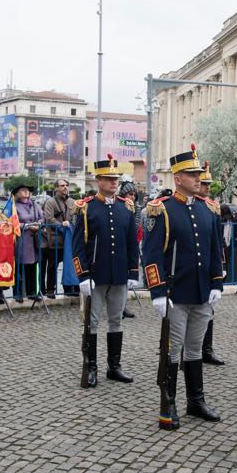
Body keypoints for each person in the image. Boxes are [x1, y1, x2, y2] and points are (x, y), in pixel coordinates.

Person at [143, 144, 224, 427]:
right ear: (177, 177)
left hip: (201, 291)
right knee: (172, 348)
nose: (198, 178)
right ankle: (168, 402)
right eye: (191, 174)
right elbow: (152, 255)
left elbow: (215, 250)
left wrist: (217, 282)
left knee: (194, 347)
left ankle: (196, 401)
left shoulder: (207, 210)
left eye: (198, 173)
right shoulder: (162, 210)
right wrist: (157, 292)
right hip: (175, 293)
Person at [73, 154, 140, 387]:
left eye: (116, 179)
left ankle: (115, 366)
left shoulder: (126, 207)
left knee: (116, 321)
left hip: (119, 274)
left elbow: (132, 243)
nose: (114, 183)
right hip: (95, 275)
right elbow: (78, 246)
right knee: (91, 322)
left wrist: (133, 272)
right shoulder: (86, 208)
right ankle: (91, 367)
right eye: (109, 179)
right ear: (98, 180)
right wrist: (82, 275)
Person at [198, 160, 225, 365]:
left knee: (209, 310)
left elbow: (217, 242)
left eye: (209, 185)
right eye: (204, 184)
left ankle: (207, 349)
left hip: (207, 268)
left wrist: (219, 271)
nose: (207, 188)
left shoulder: (212, 208)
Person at [42, 178, 75, 298]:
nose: (65, 187)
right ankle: (50, 289)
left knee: (69, 265)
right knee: (52, 266)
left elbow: (75, 217)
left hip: (69, 240)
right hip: (55, 239)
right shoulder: (50, 202)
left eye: (66, 185)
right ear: (56, 188)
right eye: (62, 185)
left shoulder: (72, 202)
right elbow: (49, 218)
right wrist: (61, 225)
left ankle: (68, 287)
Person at [13, 183, 44, 302]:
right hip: (21, 240)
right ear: (17, 193)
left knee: (32, 266)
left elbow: (42, 217)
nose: (26, 192)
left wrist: (38, 224)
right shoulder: (14, 206)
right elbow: (12, 222)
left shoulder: (35, 204)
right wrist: (27, 226)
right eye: (23, 190)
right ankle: (18, 293)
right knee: (20, 267)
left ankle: (32, 292)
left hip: (34, 240)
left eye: (27, 190)